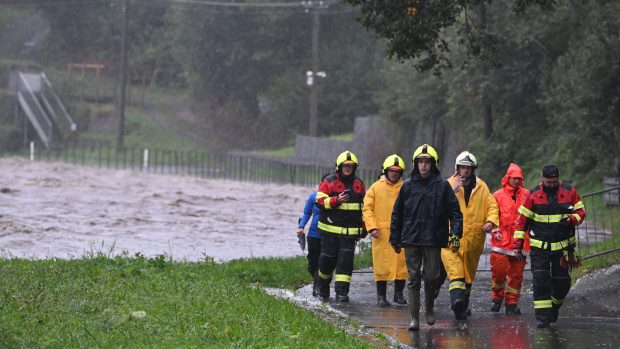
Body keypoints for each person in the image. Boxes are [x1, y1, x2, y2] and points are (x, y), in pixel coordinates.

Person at [390, 144, 463, 331]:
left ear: (433, 164)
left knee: (431, 276)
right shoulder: (407, 186)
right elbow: (397, 213)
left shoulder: (442, 186)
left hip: (434, 238)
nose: (423, 165)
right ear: (415, 164)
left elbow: (455, 212)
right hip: (411, 238)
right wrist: (395, 237)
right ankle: (414, 318)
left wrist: (455, 233)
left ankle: (429, 306)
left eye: (427, 162)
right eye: (420, 162)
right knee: (413, 278)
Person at [512, 165, 585, 328]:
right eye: (548, 182)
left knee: (563, 283)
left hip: (563, 249)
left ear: (558, 179)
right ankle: (542, 318)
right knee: (541, 281)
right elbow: (521, 222)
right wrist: (517, 246)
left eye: (554, 181)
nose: (551, 184)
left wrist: (572, 219)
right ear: (542, 178)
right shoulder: (533, 195)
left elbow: (581, 212)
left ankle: (554, 307)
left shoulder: (569, 192)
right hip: (539, 249)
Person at [442, 151, 498, 320]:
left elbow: (492, 206)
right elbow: (436, 206)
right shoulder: (447, 185)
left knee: (468, 275)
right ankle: (457, 302)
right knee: (456, 271)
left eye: (468, 168)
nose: (465, 171)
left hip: (474, 239)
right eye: (462, 167)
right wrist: (451, 191)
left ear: (473, 169)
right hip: (452, 237)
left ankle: (462, 306)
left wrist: (491, 220)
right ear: (457, 168)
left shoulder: (482, 187)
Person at [316, 151, 366, 302]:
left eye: (351, 166)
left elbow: (364, 207)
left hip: (349, 234)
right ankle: (323, 287)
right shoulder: (329, 182)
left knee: (346, 263)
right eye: (345, 166)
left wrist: (364, 227)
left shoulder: (359, 184)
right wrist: (336, 200)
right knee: (327, 261)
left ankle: (342, 292)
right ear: (339, 167)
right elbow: (319, 201)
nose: (348, 169)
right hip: (330, 232)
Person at [363, 154, 408, 306]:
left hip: (402, 231)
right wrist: (372, 227)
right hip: (381, 233)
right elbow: (367, 209)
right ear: (385, 170)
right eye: (391, 170)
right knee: (381, 265)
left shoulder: (406, 187)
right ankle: (381, 296)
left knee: (402, 264)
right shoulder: (375, 188)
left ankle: (398, 294)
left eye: (397, 171)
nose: (394, 173)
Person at [490, 163, 530, 314]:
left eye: (520, 179)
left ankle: (511, 303)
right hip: (501, 242)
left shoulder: (527, 195)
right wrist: (494, 229)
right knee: (499, 272)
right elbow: (491, 215)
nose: (517, 181)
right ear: (508, 178)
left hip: (520, 242)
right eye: (514, 178)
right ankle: (497, 297)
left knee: (516, 275)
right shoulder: (497, 195)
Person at [297, 174, 330, 297]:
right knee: (312, 263)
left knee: (323, 262)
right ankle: (317, 280)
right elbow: (306, 213)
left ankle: (319, 285)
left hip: (328, 236)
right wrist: (301, 226)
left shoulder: (335, 199)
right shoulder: (313, 197)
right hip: (313, 235)